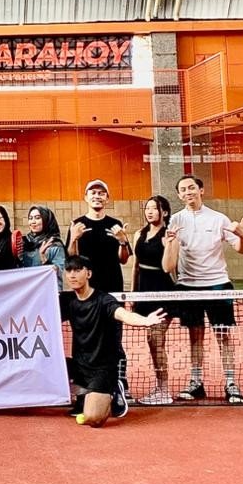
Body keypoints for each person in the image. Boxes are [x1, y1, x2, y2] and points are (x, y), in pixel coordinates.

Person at [162, 175, 243, 405]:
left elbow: (240, 249)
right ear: (179, 195)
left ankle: (231, 383)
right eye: (183, 189)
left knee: (223, 335)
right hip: (189, 286)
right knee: (195, 336)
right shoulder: (176, 220)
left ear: (201, 190)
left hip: (218, 285)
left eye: (191, 188)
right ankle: (196, 382)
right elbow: (169, 259)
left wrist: (242, 235)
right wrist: (169, 243)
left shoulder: (218, 219)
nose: (187, 192)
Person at [61, 255, 166, 427]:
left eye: (78, 270)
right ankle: (83, 394)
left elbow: (124, 315)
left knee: (93, 418)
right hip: (79, 366)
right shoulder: (67, 301)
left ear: (88, 274)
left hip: (101, 369)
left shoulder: (104, 300)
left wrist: (145, 320)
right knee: (45, 368)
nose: (72, 275)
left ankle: (114, 389)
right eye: (69, 270)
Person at [66, 179, 131, 391]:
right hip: (86, 294)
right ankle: (85, 383)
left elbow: (124, 259)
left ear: (107, 198)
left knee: (114, 338)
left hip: (112, 291)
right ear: (86, 197)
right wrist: (74, 238)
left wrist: (122, 241)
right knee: (84, 339)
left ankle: (120, 382)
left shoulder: (115, 225)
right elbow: (72, 260)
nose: (97, 196)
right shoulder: (77, 224)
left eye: (101, 193)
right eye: (93, 192)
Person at [132, 195, 176, 406]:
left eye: (154, 208)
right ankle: (160, 387)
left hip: (162, 292)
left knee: (156, 339)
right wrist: (132, 294)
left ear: (164, 212)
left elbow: (168, 267)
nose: (149, 212)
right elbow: (135, 266)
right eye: (147, 208)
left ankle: (164, 390)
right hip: (143, 292)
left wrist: (169, 245)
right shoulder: (139, 234)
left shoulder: (170, 235)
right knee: (151, 340)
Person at [22, 205, 66, 289]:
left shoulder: (54, 244)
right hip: (27, 290)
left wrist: (43, 258)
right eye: (30, 218)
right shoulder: (25, 242)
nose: (33, 222)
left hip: (47, 290)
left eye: (37, 218)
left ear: (46, 220)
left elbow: (57, 274)